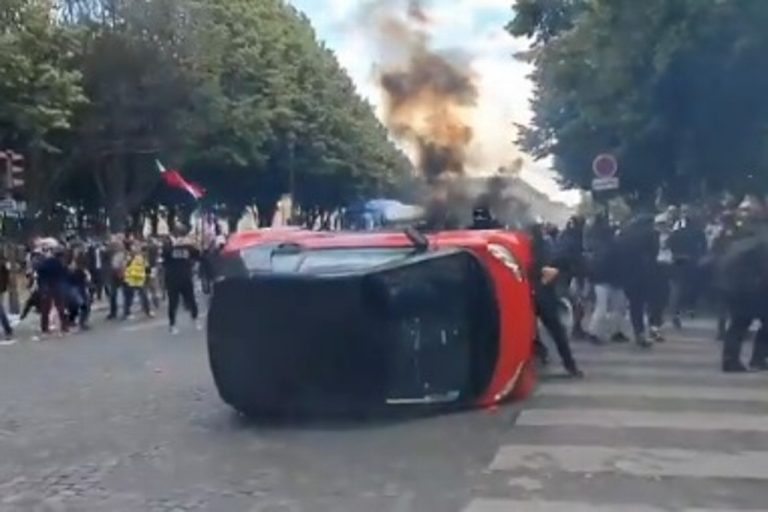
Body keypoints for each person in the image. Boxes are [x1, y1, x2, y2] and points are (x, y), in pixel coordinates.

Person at [529, 222, 583, 378]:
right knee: (556, 331)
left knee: (546, 330)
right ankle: (569, 365)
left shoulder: (532, 246)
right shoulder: (545, 246)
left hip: (531, 292)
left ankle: (543, 356)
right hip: (543, 293)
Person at [163, 226, 201, 335]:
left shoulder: (188, 246)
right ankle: (172, 324)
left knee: (191, 299)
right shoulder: (168, 246)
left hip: (185, 276)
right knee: (173, 302)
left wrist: (192, 244)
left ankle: (195, 319)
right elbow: (164, 257)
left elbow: (197, 255)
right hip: (173, 278)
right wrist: (173, 245)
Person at [122, 242, 152, 319]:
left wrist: (148, 275)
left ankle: (148, 311)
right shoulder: (129, 257)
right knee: (129, 297)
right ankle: (127, 313)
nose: (136, 249)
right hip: (130, 279)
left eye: (137, 247)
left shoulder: (142, 257)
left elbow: (146, 266)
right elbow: (124, 266)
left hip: (139, 279)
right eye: (134, 247)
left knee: (144, 296)